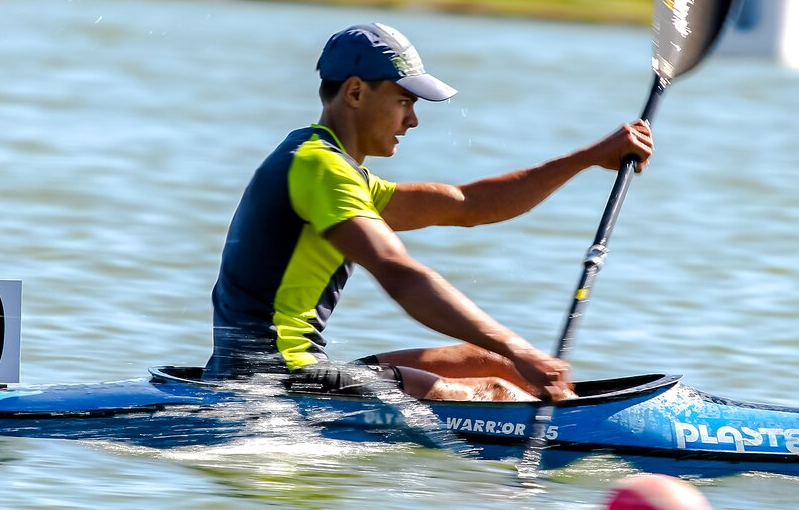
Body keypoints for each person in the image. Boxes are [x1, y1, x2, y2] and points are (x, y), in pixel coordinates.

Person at [205, 22, 653, 402]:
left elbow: (468, 204)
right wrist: (522, 349)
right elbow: (399, 273)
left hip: (292, 370)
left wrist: (590, 156)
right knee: (494, 388)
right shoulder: (320, 168)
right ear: (356, 92)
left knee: (482, 361)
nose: (413, 120)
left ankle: (569, 409)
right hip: (272, 382)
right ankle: (573, 431)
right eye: (404, 101)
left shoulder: (332, 168)